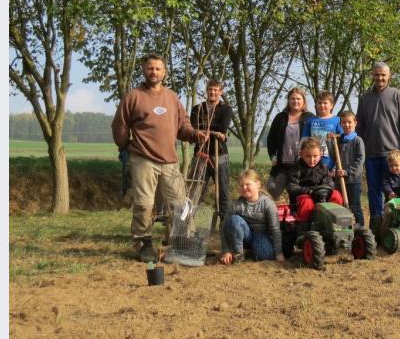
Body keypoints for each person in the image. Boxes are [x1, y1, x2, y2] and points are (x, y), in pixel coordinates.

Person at [111, 53, 208, 261]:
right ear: (144, 71)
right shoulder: (133, 96)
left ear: (164, 72)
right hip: (143, 159)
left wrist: (194, 134)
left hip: (170, 160)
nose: (153, 72)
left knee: (181, 204)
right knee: (144, 204)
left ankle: (185, 242)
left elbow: (182, 126)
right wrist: (125, 145)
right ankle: (143, 244)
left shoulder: (172, 97)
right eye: (150, 68)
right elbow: (120, 126)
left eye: (157, 68)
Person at [355, 61, 400, 236]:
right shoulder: (364, 98)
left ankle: (398, 223)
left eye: (383, 75)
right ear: (372, 75)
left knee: (395, 191)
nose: (380, 78)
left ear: (389, 76)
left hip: (393, 155)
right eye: (377, 74)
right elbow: (360, 127)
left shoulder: (397, 96)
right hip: (371, 154)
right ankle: (376, 225)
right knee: (374, 190)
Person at [188, 79, 233, 222]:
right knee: (195, 189)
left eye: (216, 90)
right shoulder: (197, 108)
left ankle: (225, 223)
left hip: (219, 155)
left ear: (220, 92)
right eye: (210, 89)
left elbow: (223, 128)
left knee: (223, 191)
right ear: (206, 91)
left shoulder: (226, 109)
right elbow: (194, 127)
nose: (212, 92)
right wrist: (211, 131)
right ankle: (187, 222)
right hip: (201, 153)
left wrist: (207, 129)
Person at [219, 170, 285, 265]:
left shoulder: (267, 203)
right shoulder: (236, 204)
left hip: (261, 234)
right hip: (242, 236)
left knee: (265, 256)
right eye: (241, 185)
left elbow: (275, 229)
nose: (244, 187)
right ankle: (239, 254)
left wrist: (279, 253)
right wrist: (226, 250)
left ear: (258, 184)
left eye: (247, 184)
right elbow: (223, 227)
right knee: (234, 220)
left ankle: (250, 251)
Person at [266, 88, 316, 200]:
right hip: (282, 164)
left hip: (301, 165)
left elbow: (314, 141)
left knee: (298, 197)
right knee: (271, 188)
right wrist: (272, 156)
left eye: (298, 98)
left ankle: (295, 216)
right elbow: (271, 139)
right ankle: (272, 213)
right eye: (292, 98)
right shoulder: (280, 117)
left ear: (303, 101)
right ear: (288, 101)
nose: (295, 101)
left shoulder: (310, 117)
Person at [287, 137, 344, 226]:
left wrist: (326, 188)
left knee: (336, 194)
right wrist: (308, 191)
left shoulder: (323, 167)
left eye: (315, 156)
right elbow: (292, 187)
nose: (312, 159)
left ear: (321, 154)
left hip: (322, 196)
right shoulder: (296, 168)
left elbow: (330, 183)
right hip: (303, 199)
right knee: (307, 202)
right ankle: (304, 227)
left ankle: (336, 221)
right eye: (308, 156)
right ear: (301, 154)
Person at [328, 110, 365, 226]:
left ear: (355, 123)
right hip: (339, 181)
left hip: (353, 180)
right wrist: (330, 142)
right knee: (340, 206)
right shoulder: (338, 140)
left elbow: (360, 160)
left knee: (354, 206)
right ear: (340, 124)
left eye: (349, 122)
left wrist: (347, 172)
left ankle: (360, 228)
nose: (347, 125)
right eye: (344, 123)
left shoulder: (357, 141)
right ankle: (343, 227)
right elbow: (334, 157)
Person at [302, 91, 342, 169]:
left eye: (325, 103)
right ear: (316, 105)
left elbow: (343, 138)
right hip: (313, 162)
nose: (322, 105)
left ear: (331, 106)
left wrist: (336, 135)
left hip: (331, 162)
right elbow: (304, 140)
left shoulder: (337, 120)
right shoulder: (310, 121)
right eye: (319, 103)